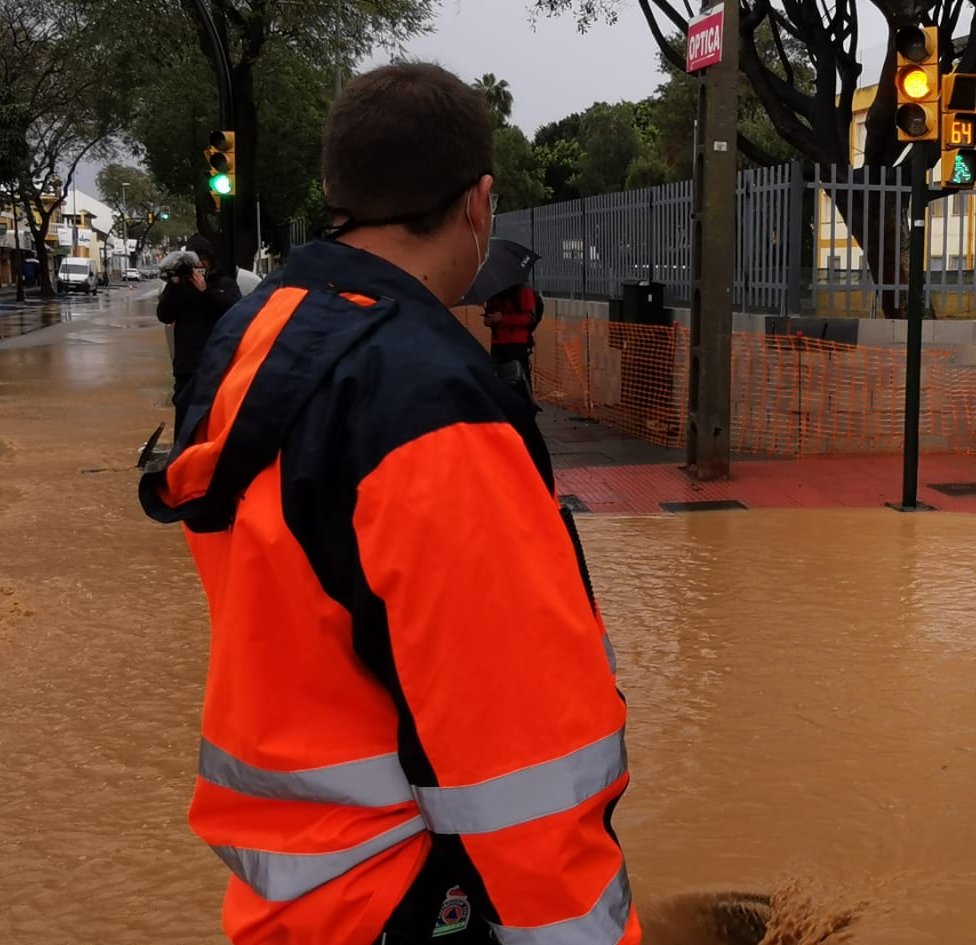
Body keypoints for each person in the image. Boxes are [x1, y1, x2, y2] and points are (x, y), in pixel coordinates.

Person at [138, 62, 639, 945]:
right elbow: (524, 763)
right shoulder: (427, 399)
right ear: (479, 204)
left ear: (339, 195)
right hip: (408, 898)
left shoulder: (259, 337)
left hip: (291, 896)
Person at [154, 235, 241, 432]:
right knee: (185, 423)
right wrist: (175, 284)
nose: (199, 269)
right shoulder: (179, 286)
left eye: (202, 263)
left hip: (218, 366)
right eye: (195, 264)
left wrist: (205, 291)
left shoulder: (224, 284)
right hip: (187, 367)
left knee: (214, 424)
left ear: (209, 262)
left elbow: (235, 311)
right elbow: (164, 315)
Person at [482, 282, 537, 401]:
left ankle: (525, 411)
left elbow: (530, 318)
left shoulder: (522, 289)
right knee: (499, 381)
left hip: (516, 345)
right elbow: (492, 315)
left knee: (519, 381)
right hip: (497, 345)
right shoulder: (493, 291)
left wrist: (503, 318)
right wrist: (489, 319)